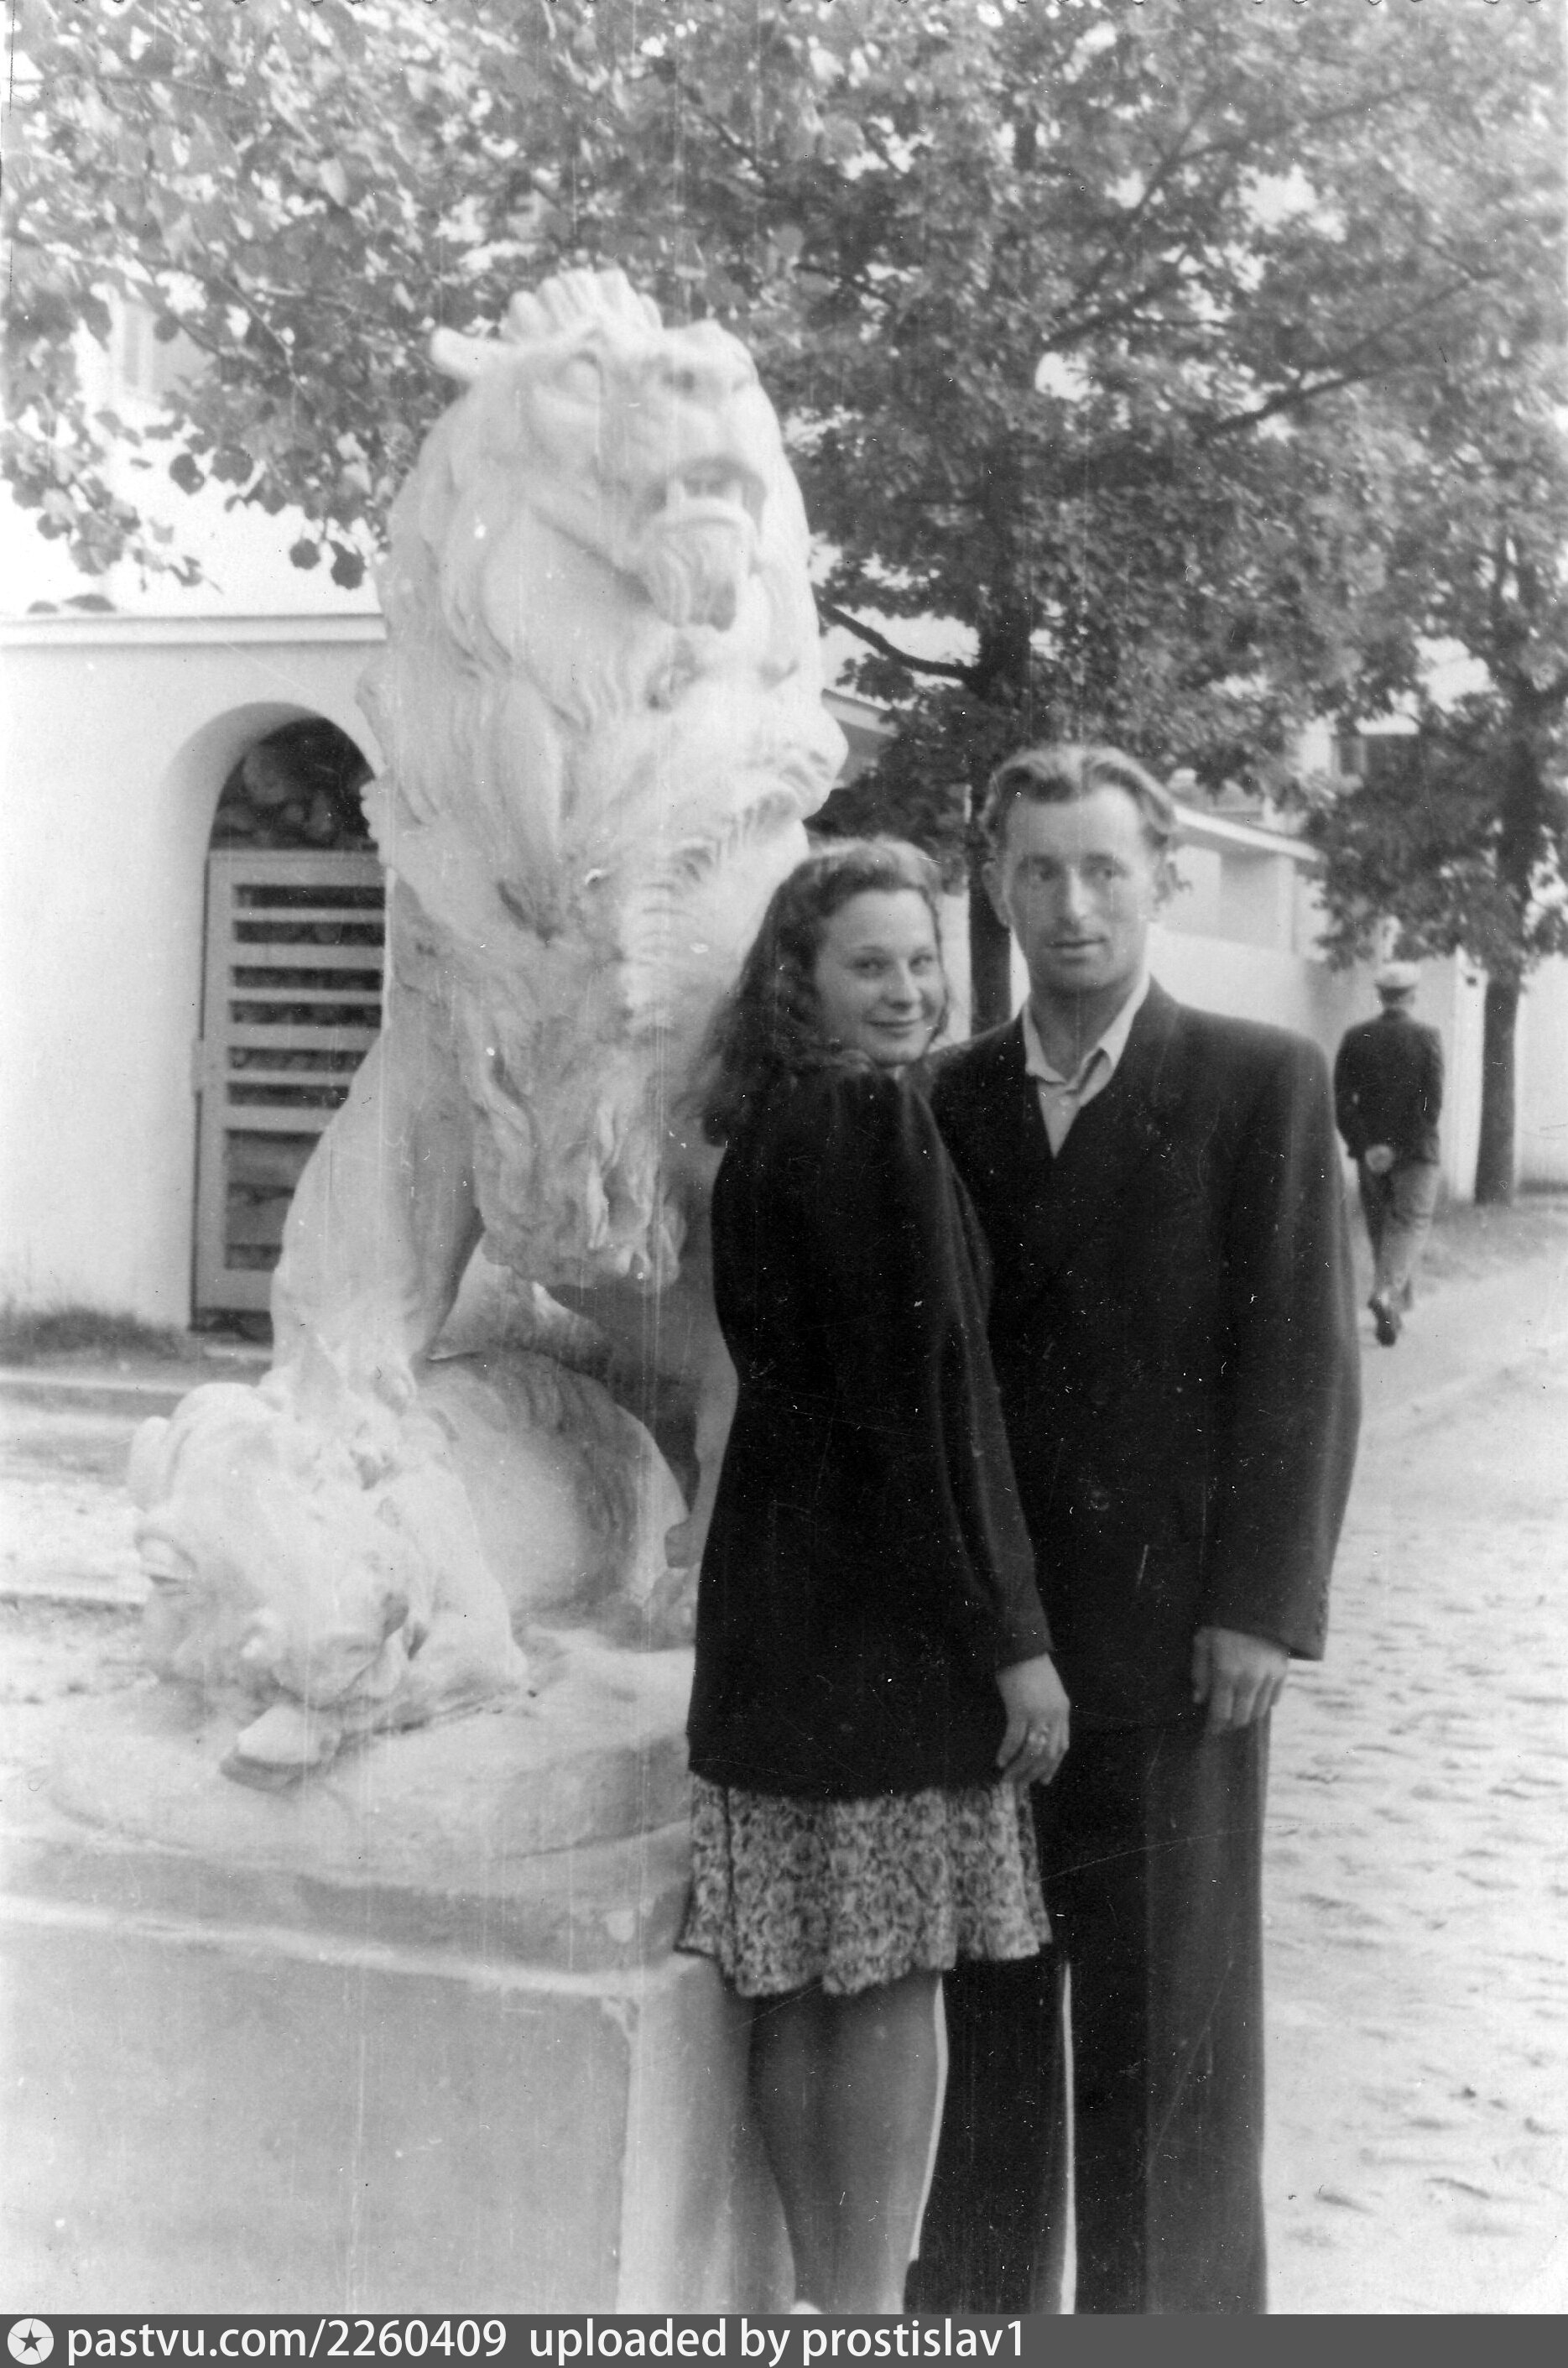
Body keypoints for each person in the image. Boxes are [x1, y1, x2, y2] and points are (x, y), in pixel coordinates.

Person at [908, 744, 1361, 2316]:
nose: (1072, 903)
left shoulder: (1256, 1081)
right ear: (995, 886)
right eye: (1038, 870)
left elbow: (1301, 1363)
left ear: (1160, 879)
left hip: (1177, 1654)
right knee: (987, 2039)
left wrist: (1260, 1605)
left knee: (1169, 2045)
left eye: (1103, 869)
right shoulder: (944, 1098)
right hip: (993, 1653)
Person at [677, 838, 1070, 2315]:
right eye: (868, 965)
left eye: (920, 961)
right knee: (894, 1981)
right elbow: (934, 1411)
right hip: (883, 1619)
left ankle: (818, 2303)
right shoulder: (873, 1120)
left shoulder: (768, 1124)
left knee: (796, 1977)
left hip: (771, 1605)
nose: (906, 990)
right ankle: (865, 2322)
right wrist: (1011, 1639)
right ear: (802, 980)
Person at [1333, 962, 1445, 1346]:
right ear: (1412, 996)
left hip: (1370, 1157)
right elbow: (1431, 1105)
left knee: (1383, 1229)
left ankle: (1392, 1311)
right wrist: (1399, 1148)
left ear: (1380, 996)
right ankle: (1385, 1296)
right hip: (1416, 1154)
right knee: (1410, 1224)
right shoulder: (1428, 1037)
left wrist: (1368, 1147)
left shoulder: (1355, 1037)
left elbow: (1342, 1102)